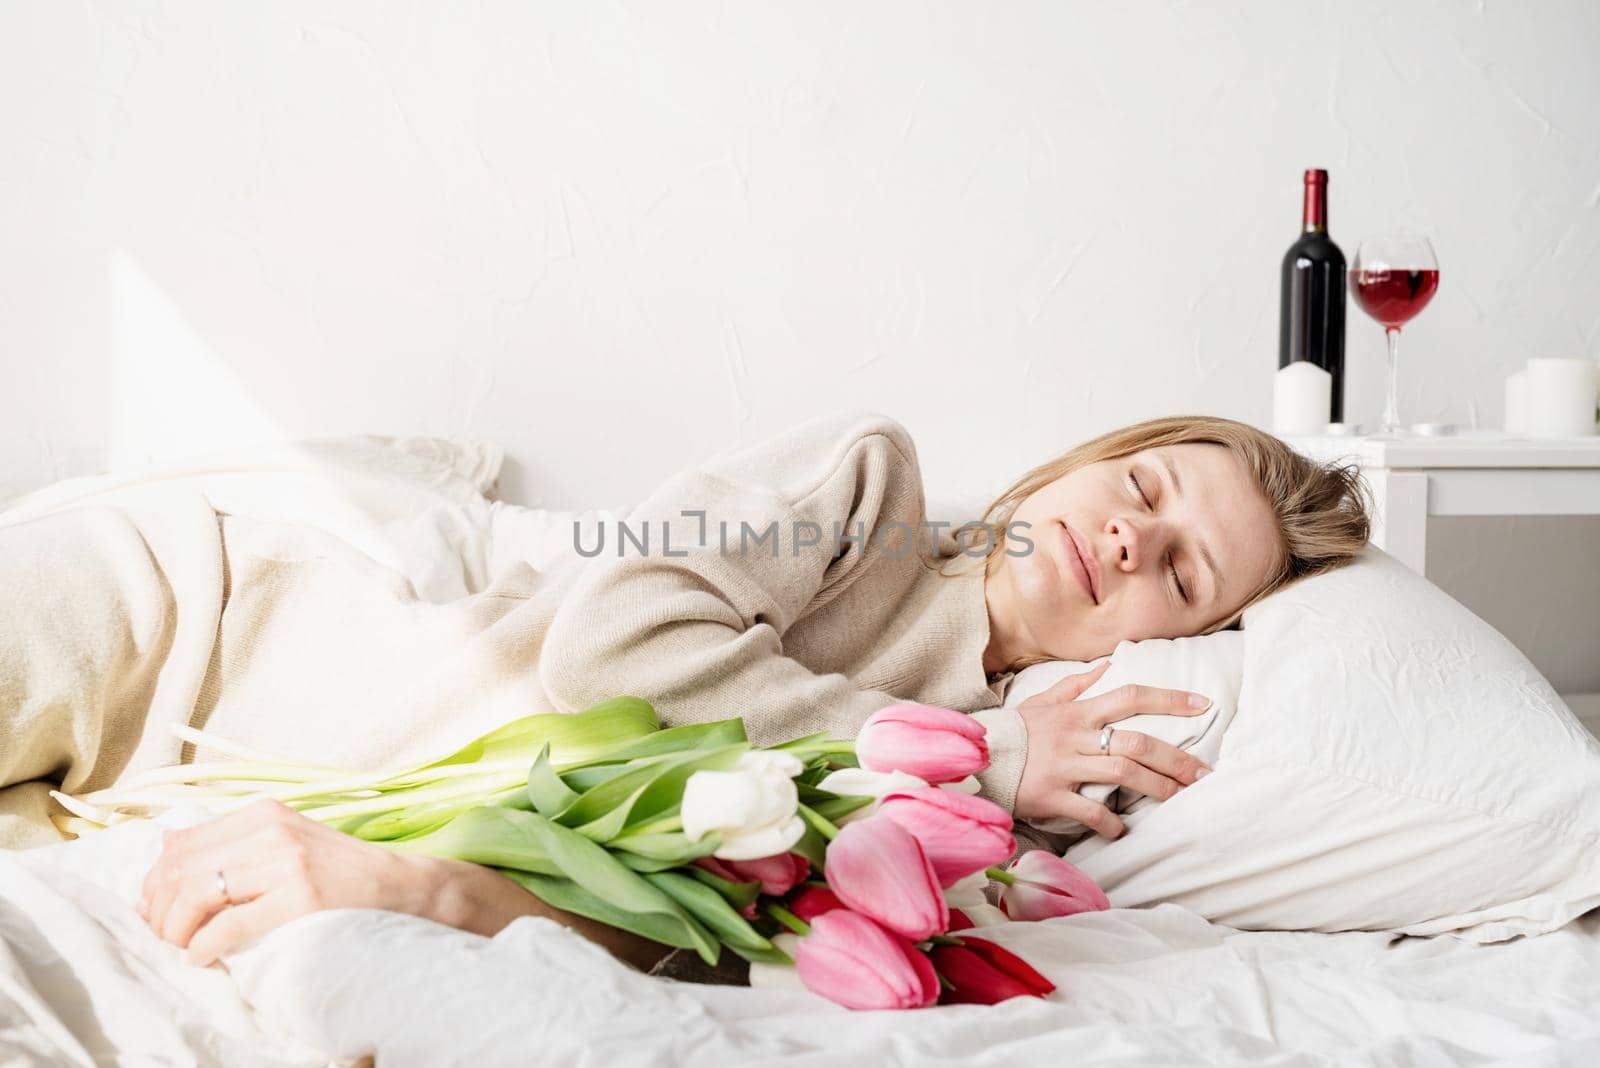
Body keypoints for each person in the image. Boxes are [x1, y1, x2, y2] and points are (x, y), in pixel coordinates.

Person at [36, 410, 1370, 974]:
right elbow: (615, 644)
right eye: (1143, 488)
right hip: (200, 623)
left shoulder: (1005, 810)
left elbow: (695, 912)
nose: (1138, 538)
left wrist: (988, 775)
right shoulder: (866, 495)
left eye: (1186, 574)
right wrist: (969, 751)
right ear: (1089, 463)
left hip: (187, 793)